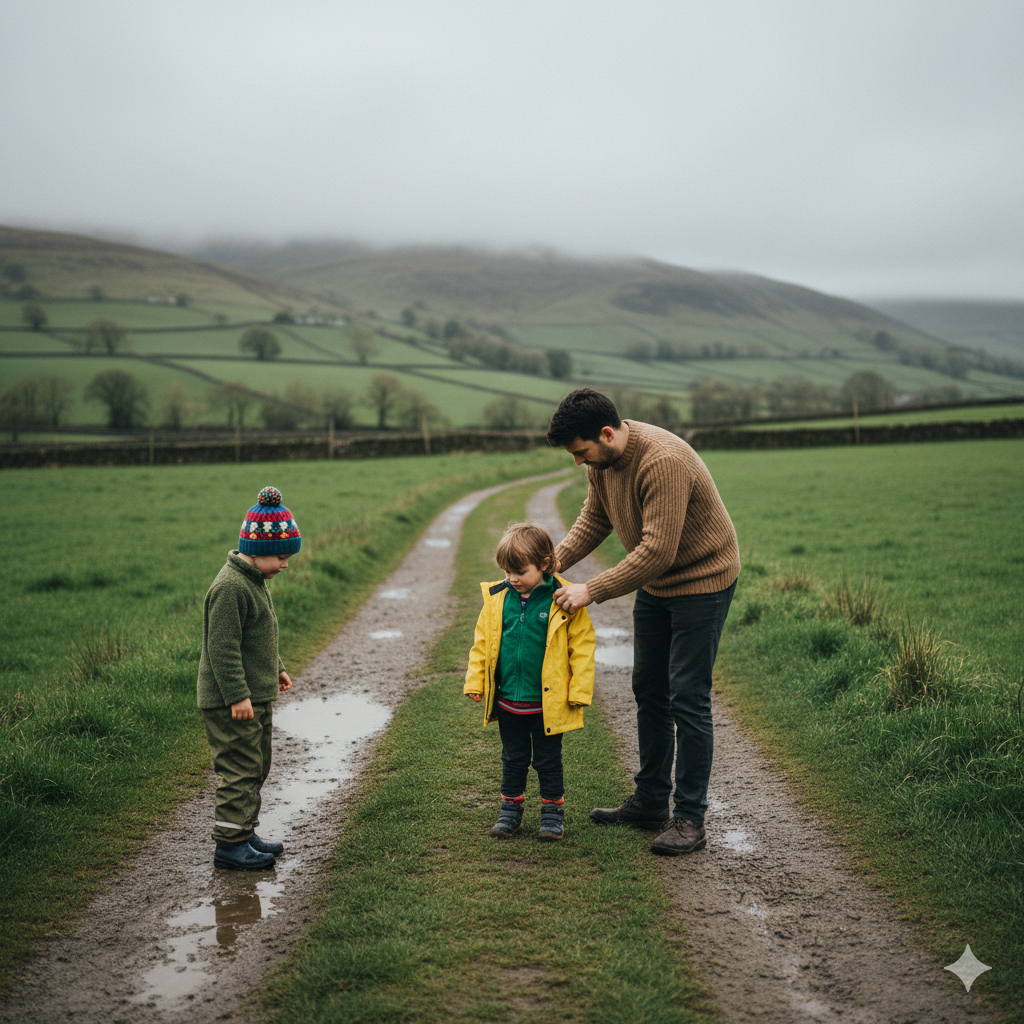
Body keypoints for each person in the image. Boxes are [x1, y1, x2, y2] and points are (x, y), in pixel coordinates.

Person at [546, 389, 740, 856]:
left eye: (581, 451)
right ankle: (652, 800)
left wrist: (590, 590)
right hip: (657, 586)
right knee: (648, 688)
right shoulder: (603, 463)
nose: (579, 463)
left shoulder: (662, 461)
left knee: (688, 696)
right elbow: (595, 520)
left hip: (703, 580)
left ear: (607, 433)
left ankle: (690, 819)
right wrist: (547, 567)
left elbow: (657, 550)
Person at [464, 522, 596, 841]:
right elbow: (483, 642)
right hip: (509, 699)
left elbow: (583, 646)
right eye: (507, 571)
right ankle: (510, 811)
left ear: (545, 565)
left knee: (548, 760)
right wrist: (475, 680)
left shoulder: (563, 598)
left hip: (547, 703)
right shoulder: (497, 598)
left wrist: (578, 690)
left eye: (520, 571)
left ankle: (552, 814)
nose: (512, 578)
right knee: (513, 758)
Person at [196, 485, 301, 870]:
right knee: (240, 770)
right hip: (232, 701)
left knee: (257, 764)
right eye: (280, 557)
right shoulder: (230, 588)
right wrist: (238, 695)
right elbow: (222, 648)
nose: (285, 565)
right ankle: (229, 847)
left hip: (255, 696)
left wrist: (277, 667)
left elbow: (260, 634)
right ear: (256, 551)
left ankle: (244, 830)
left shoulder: (254, 581)